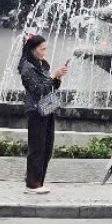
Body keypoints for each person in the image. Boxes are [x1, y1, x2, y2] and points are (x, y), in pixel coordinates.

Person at [19, 35, 68, 194]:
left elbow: (48, 88)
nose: (44, 52)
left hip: (47, 108)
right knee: (37, 147)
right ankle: (32, 184)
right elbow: (38, 89)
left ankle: (39, 181)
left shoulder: (42, 64)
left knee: (47, 147)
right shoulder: (27, 67)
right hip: (35, 110)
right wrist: (53, 75)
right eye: (42, 49)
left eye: (45, 49)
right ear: (33, 49)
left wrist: (57, 79)